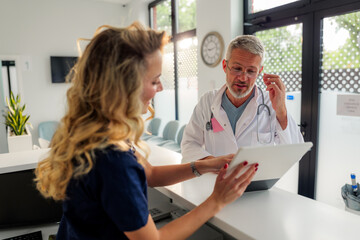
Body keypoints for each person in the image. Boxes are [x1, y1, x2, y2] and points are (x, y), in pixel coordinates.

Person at [34, 22, 257, 240]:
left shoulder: (97, 131)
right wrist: (217, 200)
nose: (160, 88)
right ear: (125, 85)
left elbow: (149, 174)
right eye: (155, 80)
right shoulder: (112, 159)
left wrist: (203, 165)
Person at [181, 35, 304, 163]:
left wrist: (281, 110)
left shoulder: (270, 104)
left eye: (251, 71)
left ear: (259, 71)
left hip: (256, 182)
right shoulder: (207, 102)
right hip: (216, 180)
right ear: (225, 66)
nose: (243, 78)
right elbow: (189, 144)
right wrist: (213, 163)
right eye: (237, 69)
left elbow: (294, 152)